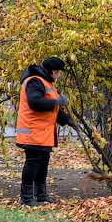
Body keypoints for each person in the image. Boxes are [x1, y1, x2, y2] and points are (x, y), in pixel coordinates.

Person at [16, 56, 67, 206]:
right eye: (58, 72)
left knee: (42, 164)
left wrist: (69, 121)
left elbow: (54, 109)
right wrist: (57, 101)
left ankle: (40, 195)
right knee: (32, 164)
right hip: (32, 132)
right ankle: (26, 198)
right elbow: (35, 102)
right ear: (51, 71)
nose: (58, 75)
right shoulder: (34, 81)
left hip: (43, 134)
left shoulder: (46, 82)